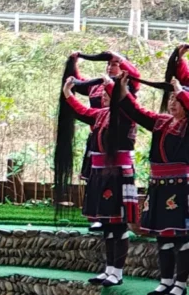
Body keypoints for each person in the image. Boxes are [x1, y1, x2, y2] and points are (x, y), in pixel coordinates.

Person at [114, 74, 189, 295]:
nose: (173, 103)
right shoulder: (161, 122)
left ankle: (180, 284)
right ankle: (166, 281)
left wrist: (179, 88)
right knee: (163, 236)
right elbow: (136, 111)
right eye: (172, 99)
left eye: (178, 99)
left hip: (181, 186)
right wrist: (123, 88)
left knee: (182, 237)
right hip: (159, 185)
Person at [59, 76, 137, 287]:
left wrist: (110, 82)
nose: (102, 96)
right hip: (100, 174)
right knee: (107, 225)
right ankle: (109, 270)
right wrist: (67, 92)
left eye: (107, 92)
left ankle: (117, 273)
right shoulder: (101, 115)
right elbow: (82, 111)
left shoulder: (127, 113)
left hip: (119, 174)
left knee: (119, 225)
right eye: (102, 93)